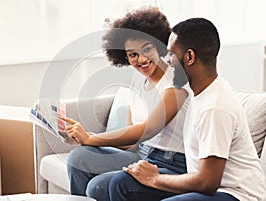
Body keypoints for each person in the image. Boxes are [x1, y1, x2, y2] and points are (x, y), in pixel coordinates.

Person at [108, 18, 266, 201]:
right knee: (121, 183)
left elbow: (208, 182)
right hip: (205, 188)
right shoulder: (198, 93)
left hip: (235, 194)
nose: (165, 60)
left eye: (171, 54)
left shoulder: (215, 106)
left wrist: (156, 178)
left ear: (189, 57)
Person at [64, 7, 190, 201]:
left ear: (160, 45)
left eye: (147, 49)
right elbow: (131, 138)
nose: (141, 59)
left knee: (98, 187)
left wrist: (91, 138)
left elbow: (148, 129)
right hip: (142, 154)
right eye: (132, 54)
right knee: (78, 158)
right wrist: (83, 140)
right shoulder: (137, 80)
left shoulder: (176, 80)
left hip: (174, 163)